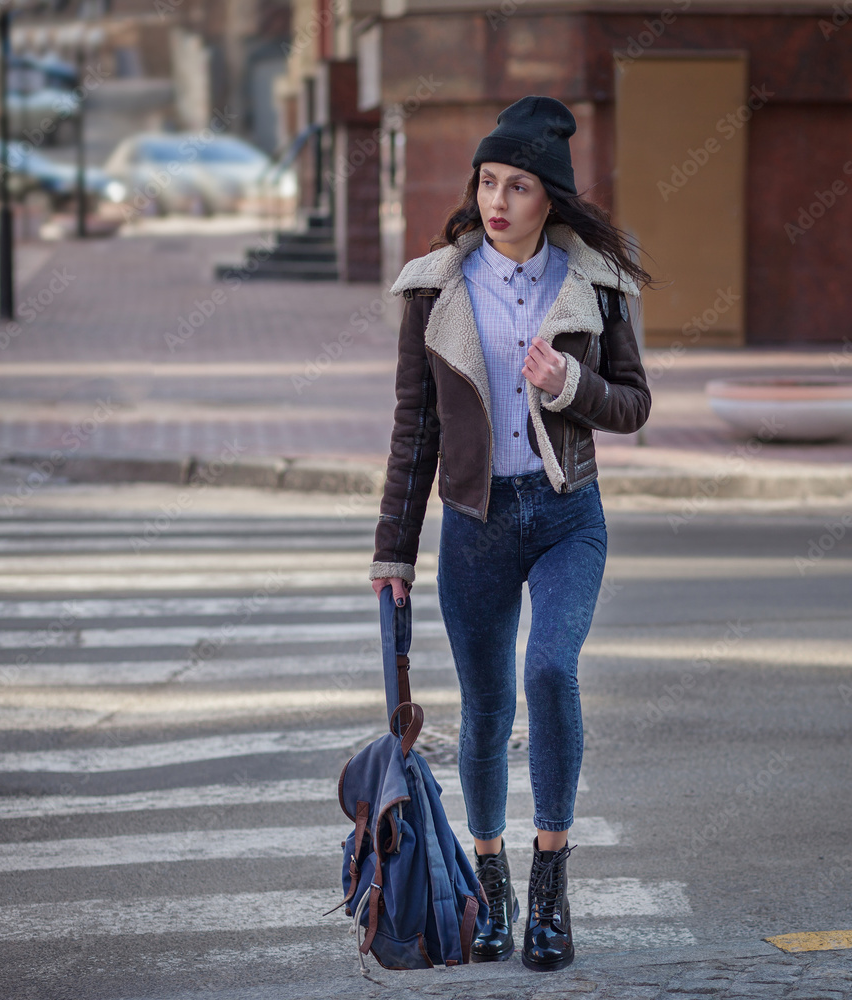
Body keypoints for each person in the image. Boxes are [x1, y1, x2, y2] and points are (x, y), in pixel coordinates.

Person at [369, 95, 653, 972]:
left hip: (568, 515)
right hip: (475, 526)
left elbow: (634, 405)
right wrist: (393, 552)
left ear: (549, 200)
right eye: (487, 181)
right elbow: (414, 430)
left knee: (550, 668)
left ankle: (552, 885)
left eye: (517, 186)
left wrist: (571, 383)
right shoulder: (435, 289)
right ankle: (491, 888)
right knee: (487, 710)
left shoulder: (595, 287)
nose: (497, 200)